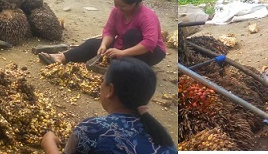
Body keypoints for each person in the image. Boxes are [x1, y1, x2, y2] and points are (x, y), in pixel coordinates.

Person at [40, 58, 176, 154]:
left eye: (102, 81)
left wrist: (49, 143)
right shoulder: (164, 139)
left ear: (110, 90)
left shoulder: (91, 129)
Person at [38, 0, 165, 66]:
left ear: (133, 4)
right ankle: (61, 57)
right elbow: (110, 30)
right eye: (116, 5)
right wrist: (104, 45)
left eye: (122, 6)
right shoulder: (116, 11)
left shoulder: (147, 16)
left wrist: (122, 53)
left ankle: (123, 63)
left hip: (150, 52)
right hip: (123, 46)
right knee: (93, 44)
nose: (117, 9)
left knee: (132, 34)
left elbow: (149, 43)